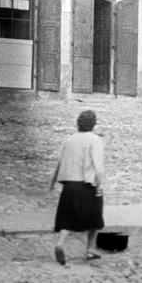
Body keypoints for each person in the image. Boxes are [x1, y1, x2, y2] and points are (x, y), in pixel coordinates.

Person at [50, 109, 106, 266]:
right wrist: (99, 183)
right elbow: (98, 164)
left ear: (78, 124)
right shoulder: (95, 140)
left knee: (67, 217)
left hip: (69, 184)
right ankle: (90, 249)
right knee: (95, 217)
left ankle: (60, 243)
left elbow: (61, 160)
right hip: (87, 183)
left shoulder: (70, 139)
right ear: (93, 125)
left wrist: (55, 181)